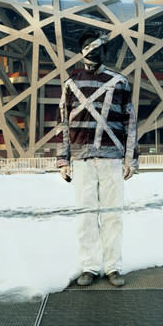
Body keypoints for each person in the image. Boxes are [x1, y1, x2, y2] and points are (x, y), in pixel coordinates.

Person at [57, 29, 139, 287]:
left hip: (112, 160)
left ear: (104, 51)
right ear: (82, 51)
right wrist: (63, 160)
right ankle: (89, 268)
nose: (94, 53)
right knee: (86, 215)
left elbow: (130, 122)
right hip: (82, 161)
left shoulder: (120, 82)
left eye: (98, 49)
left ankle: (113, 267)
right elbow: (63, 124)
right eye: (89, 49)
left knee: (113, 215)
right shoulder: (71, 84)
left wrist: (130, 159)